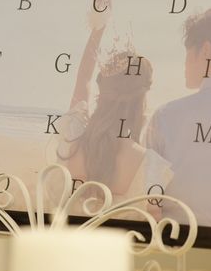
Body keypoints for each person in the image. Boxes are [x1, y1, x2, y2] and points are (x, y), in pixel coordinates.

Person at [50, 18, 172, 216]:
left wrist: (99, 24)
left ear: (103, 92)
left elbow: (83, 78)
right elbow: (154, 226)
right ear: (141, 100)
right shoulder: (150, 167)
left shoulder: (72, 135)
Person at [146, 8, 211, 228]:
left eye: (187, 53)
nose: (184, 64)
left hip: (177, 244)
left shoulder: (166, 117)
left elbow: (149, 202)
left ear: (206, 50)